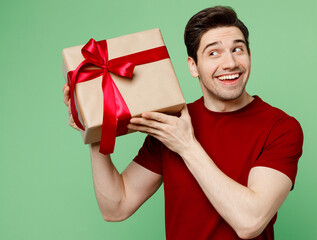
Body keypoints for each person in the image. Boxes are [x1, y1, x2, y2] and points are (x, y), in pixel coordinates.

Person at [63, 6, 303, 240]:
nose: (230, 63)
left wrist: (187, 146)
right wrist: (94, 127)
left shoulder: (281, 127)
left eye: (238, 49)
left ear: (249, 56)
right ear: (193, 66)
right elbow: (116, 207)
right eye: (213, 52)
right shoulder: (171, 123)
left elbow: (249, 223)